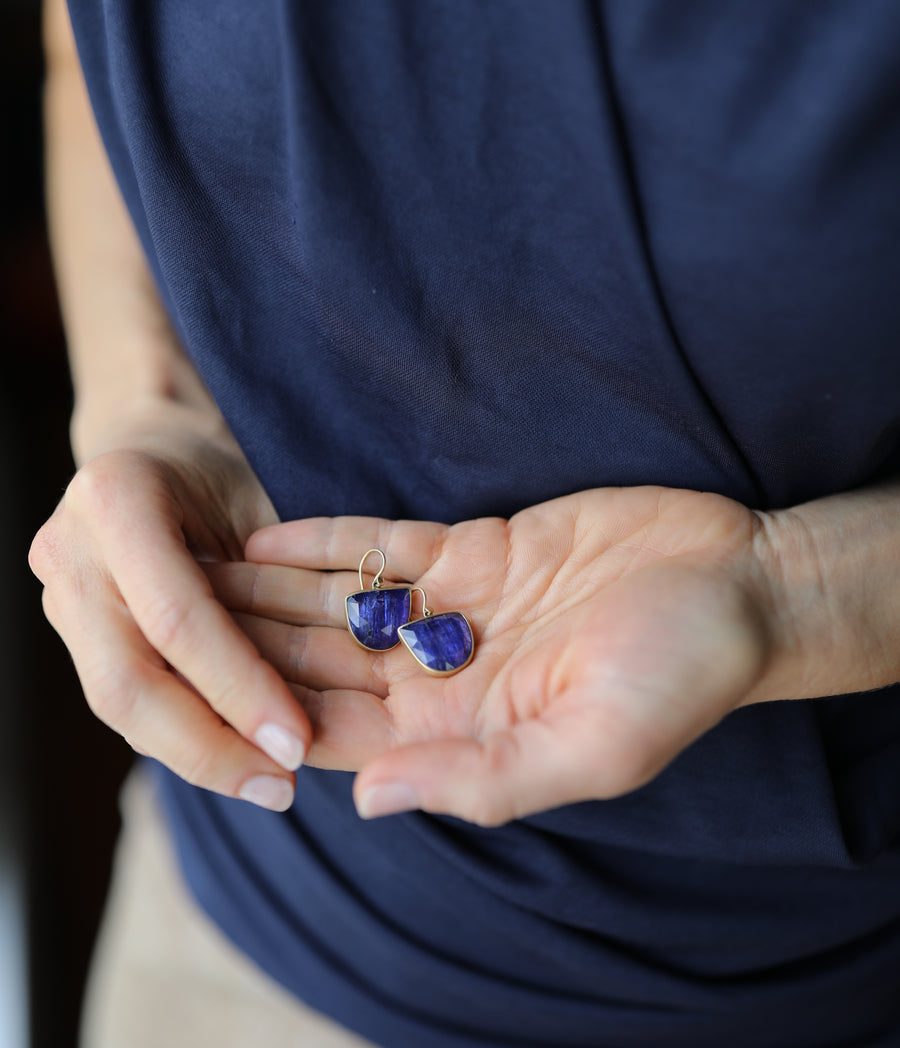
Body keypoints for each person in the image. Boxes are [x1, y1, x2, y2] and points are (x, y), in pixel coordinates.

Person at [30, 0, 900, 1045]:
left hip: (830, 974)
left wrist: (802, 589)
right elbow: (81, 59)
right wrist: (146, 404)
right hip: (246, 940)